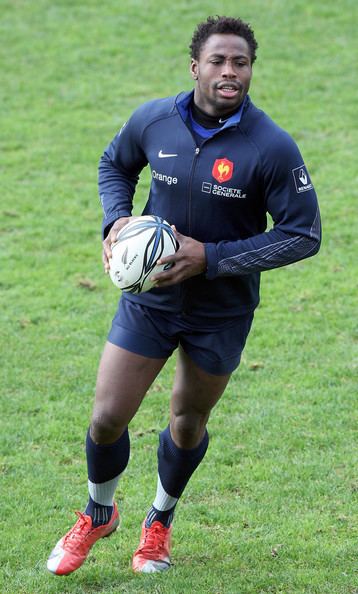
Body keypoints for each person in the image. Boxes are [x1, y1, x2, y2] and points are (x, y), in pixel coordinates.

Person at [47, 15, 321, 576]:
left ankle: (159, 523)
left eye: (240, 63)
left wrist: (212, 258)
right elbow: (114, 164)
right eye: (218, 61)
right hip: (150, 299)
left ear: (250, 70)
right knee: (106, 418)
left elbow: (303, 234)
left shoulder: (269, 146)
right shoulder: (154, 121)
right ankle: (99, 512)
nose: (229, 72)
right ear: (195, 66)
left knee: (187, 423)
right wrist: (115, 223)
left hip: (220, 311)